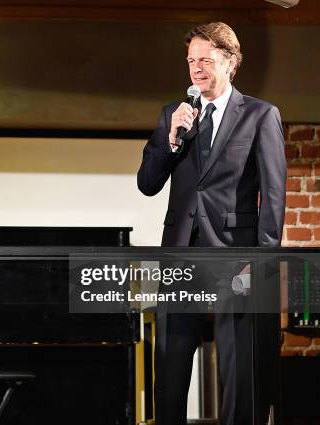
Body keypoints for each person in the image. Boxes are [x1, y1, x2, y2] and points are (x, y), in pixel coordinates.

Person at [137, 22, 286, 425]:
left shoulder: (260, 115)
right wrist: (170, 140)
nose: (196, 69)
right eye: (191, 61)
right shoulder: (174, 114)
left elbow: (273, 197)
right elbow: (147, 184)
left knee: (238, 365)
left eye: (205, 60)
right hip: (181, 252)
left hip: (235, 259)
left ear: (230, 62)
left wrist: (262, 263)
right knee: (170, 357)